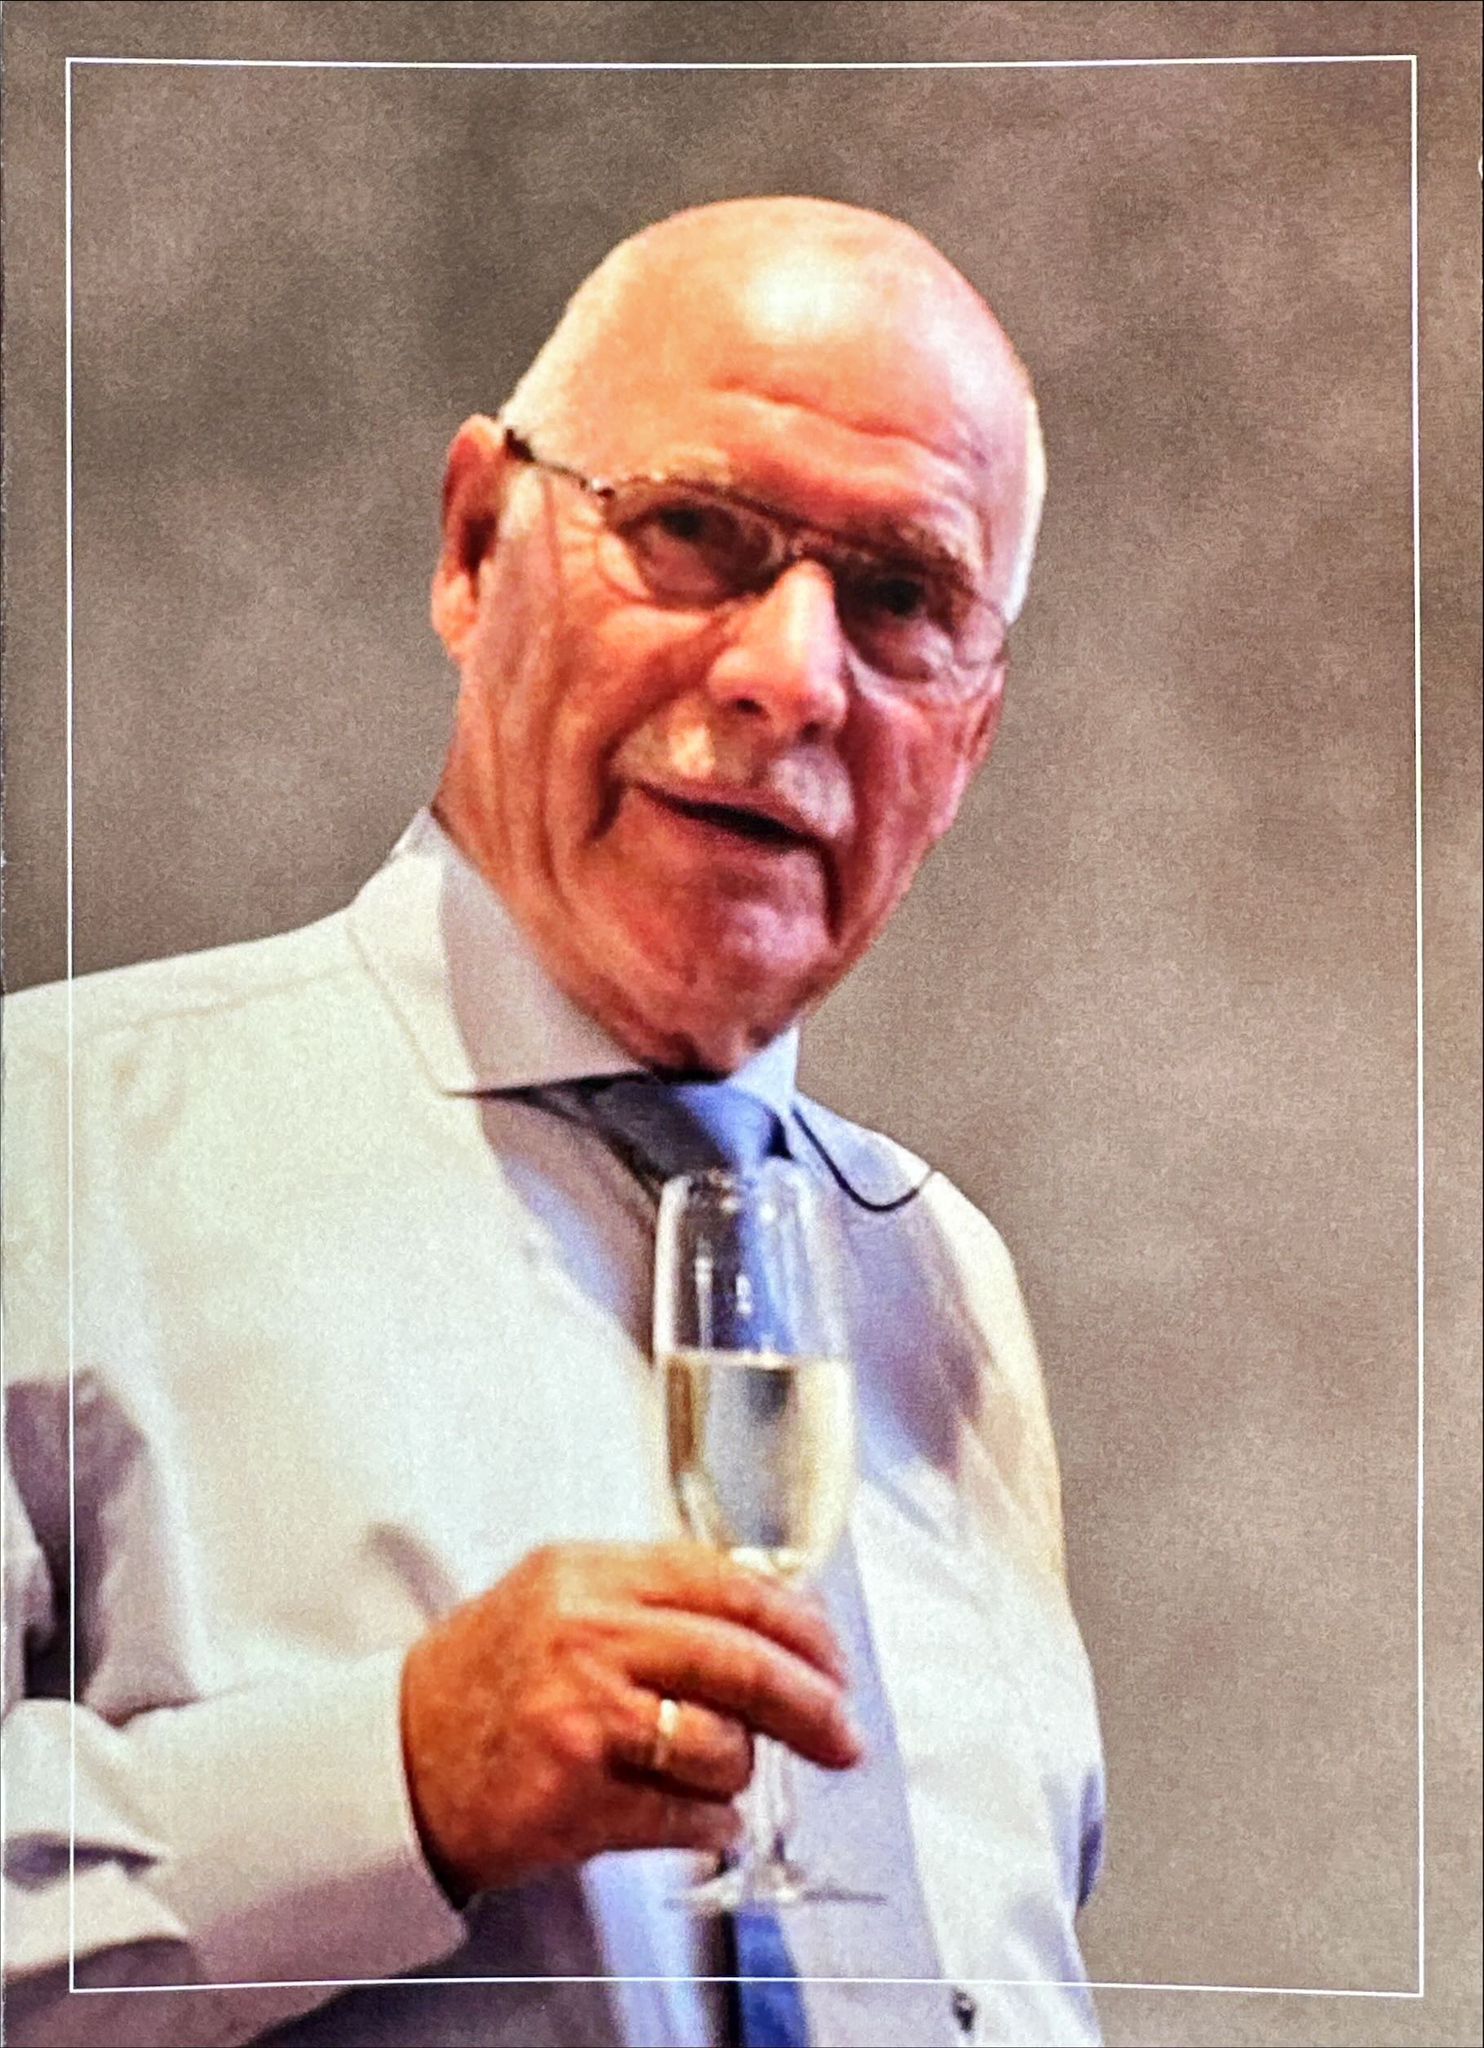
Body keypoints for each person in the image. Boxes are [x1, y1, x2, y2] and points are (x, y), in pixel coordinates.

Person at [2, 197, 1105, 2047]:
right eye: (695, 532)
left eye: (902, 598)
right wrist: (391, 1781)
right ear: (472, 545)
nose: (790, 674)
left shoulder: (944, 1285)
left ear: (971, 735)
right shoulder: (48, 1148)